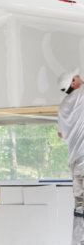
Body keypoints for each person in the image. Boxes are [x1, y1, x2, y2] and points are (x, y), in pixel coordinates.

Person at [58, 66, 84, 245]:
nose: (81, 77)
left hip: (76, 160)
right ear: (73, 83)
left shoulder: (63, 105)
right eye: (77, 76)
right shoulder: (81, 95)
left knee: (80, 206)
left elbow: (61, 134)